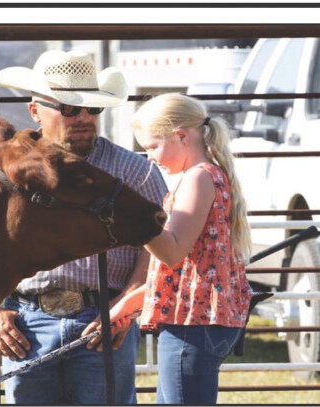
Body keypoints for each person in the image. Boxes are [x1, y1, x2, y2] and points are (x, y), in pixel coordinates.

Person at [0, 49, 168, 404]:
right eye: (69, 108)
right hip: (24, 321)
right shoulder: (4, 170)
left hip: (104, 317)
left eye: (92, 108)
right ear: (35, 111)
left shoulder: (134, 170)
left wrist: (123, 308)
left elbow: (156, 246)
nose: (83, 117)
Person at [105, 93, 253, 404]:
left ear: (181, 136)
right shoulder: (208, 175)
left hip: (192, 326)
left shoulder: (198, 178)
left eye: (152, 146)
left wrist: (133, 220)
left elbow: (172, 252)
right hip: (196, 322)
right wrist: (128, 304)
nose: (149, 157)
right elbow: (188, 268)